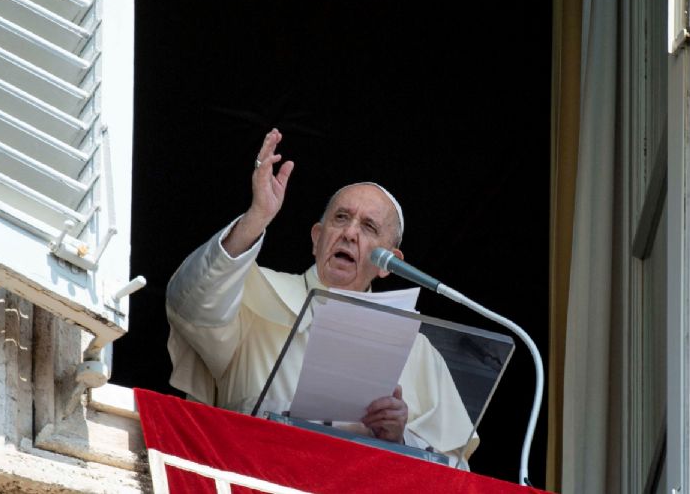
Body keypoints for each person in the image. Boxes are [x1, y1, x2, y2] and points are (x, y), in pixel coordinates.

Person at [166, 129, 477, 465]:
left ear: (390, 263)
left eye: (369, 227)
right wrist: (257, 218)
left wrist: (400, 438)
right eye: (341, 218)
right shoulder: (252, 293)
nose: (350, 232)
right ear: (317, 238)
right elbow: (191, 305)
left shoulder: (419, 353)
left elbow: (455, 469)